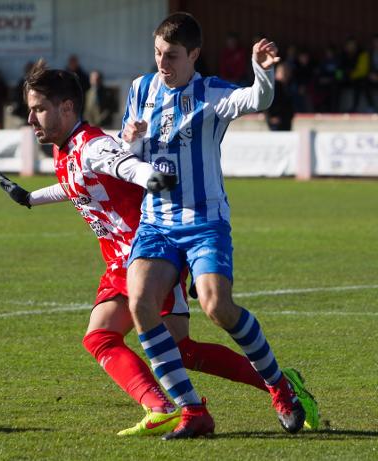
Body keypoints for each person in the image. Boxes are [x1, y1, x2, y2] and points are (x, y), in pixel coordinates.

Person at [0, 60, 318, 436]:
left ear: (67, 108)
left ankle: (191, 401)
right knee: (151, 345)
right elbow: (76, 186)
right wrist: (30, 198)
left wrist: (151, 177)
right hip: (122, 260)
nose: (31, 119)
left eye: (39, 109)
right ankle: (212, 396)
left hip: (150, 253)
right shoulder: (66, 150)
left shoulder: (93, 145)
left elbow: (126, 166)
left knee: (132, 342)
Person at [119, 12, 307, 439]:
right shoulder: (141, 89)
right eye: (157, 53)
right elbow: (124, 151)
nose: (162, 63)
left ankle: (279, 386)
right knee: (141, 305)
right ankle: (192, 410)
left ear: (194, 56)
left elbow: (256, 101)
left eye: (171, 56)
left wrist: (261, 72)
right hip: (157, 222)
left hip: (204, 221)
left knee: (217, 307)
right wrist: (129, 136)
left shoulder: (211, 93)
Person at [266, 62, 295, 130]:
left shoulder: (286, 86)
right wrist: (271, 117)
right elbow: (268, 103)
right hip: (277, 121)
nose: (286, 75)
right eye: (284, 72)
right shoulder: (274, 86)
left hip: (285, 120)